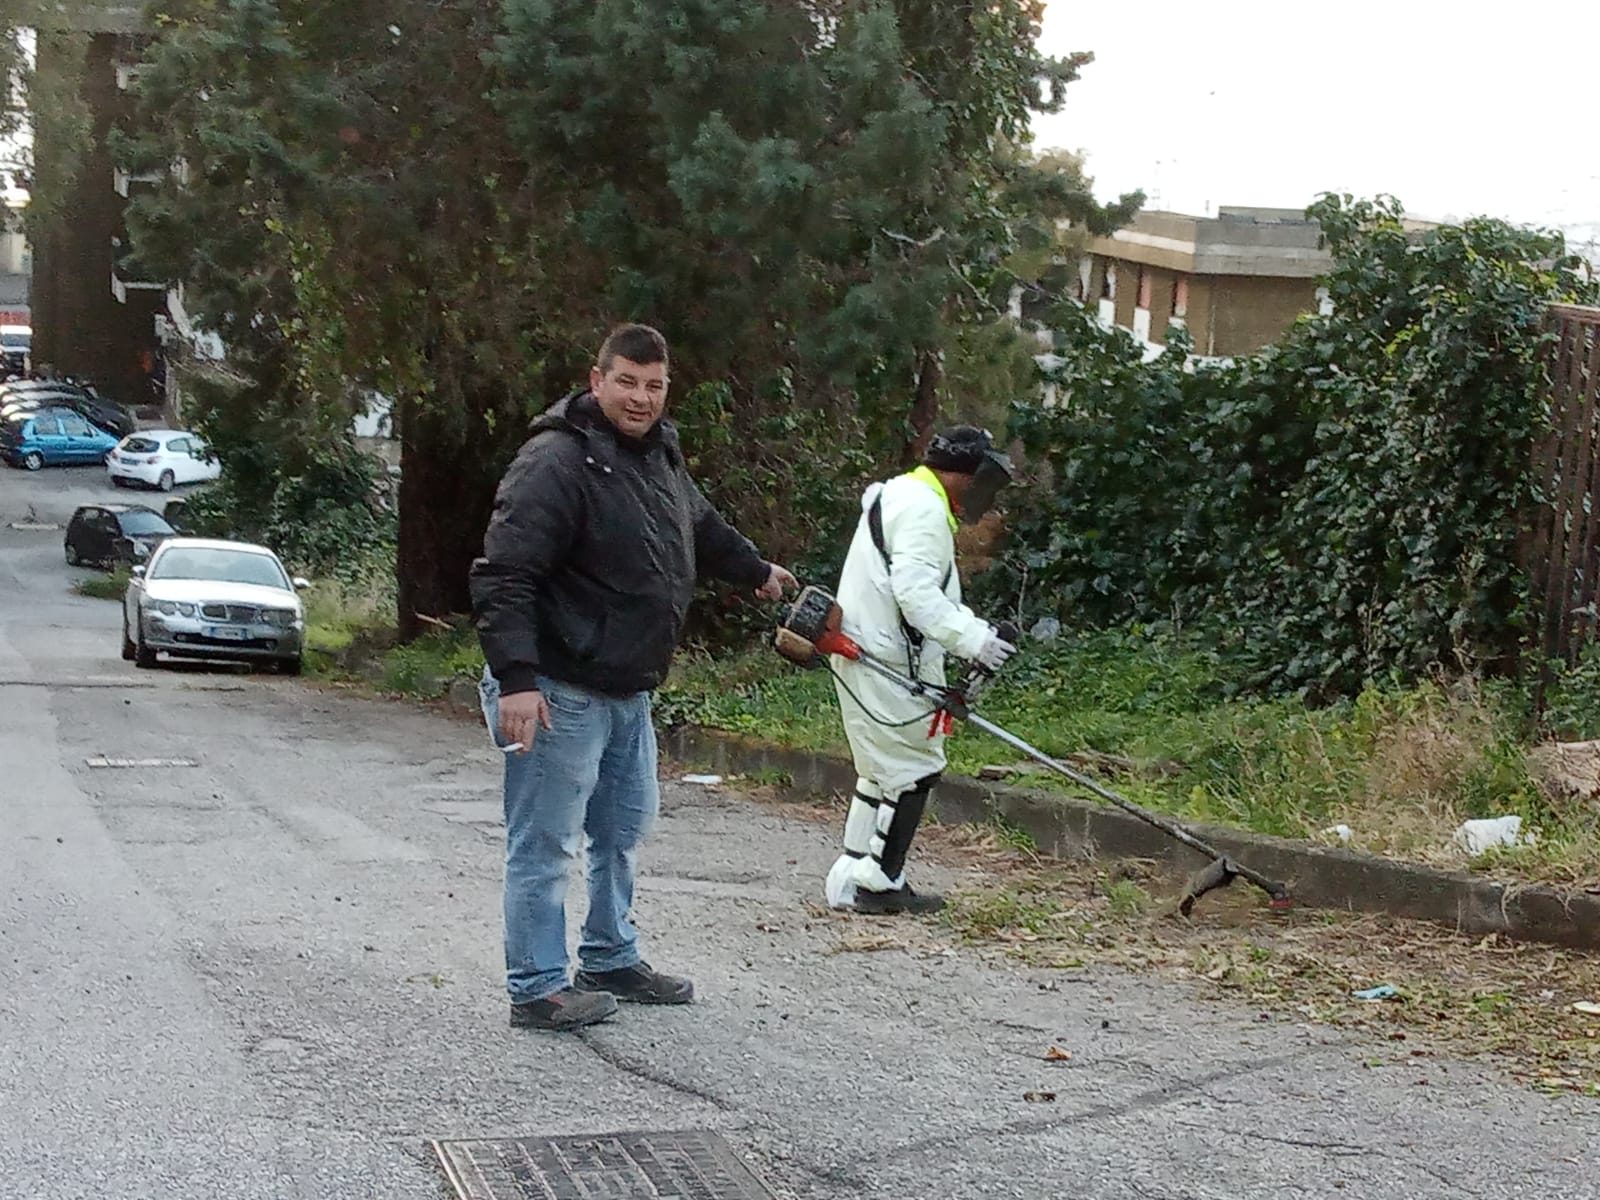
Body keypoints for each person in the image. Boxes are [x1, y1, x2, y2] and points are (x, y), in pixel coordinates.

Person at [470, 323, 796, 1032]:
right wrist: (517, 679)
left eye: (653, 385)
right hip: (557, 687)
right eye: (626, 382)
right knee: (546, 842)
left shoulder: (657, 456)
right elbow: (505, 574)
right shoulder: (554, 461)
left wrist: (755, 570)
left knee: (620, 831)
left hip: (626, 688)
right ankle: (537, 984)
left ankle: (610, 954)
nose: (640, 398)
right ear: (597, 381)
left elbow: (699, 527)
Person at [823, 426, 1016, 915]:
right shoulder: (926, 509)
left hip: (869, 650)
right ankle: (879, 882)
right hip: (884, 656)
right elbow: (916, 595)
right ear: (964, 475)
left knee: (880, 770)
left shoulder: (901, 493)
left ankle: (851, 871)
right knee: (914, 770)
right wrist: (977, 641)